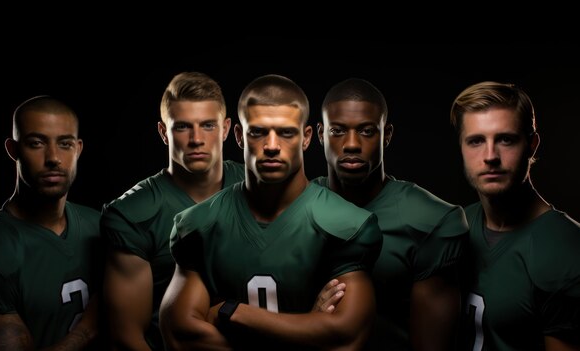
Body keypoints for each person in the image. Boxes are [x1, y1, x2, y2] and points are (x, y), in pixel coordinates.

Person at [159, 74, 384, 350]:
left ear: (306, 137)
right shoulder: (199, 225)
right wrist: (307, 328)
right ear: (240, 136)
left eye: (286, 132)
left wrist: (232, 312)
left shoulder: (347, 226)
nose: (272, 146)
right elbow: (181, 335)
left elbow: (345, 338)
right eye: (259, 132)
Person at [314, 77, 469, 350]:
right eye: (337, 131)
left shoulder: (431, 222)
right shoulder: (294, 205)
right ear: (319, 135)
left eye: (366, 131)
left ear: (387, 134)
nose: (351, 144)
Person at [100, 71, 246, 350]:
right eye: (182, 127)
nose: (196, 139)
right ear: (163, 132)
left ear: (226, 129)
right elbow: (128, 337)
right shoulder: (133, 214)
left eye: (207, 125)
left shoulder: (257, 187)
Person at [0, 95, 102, 350]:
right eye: (36, 143)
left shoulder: (100, 224)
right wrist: (87, 331)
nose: (53, 157)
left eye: (65, 144)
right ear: (13, 150)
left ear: (78, 149)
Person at [450, 81, 580, 350]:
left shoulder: (567, 251)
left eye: (505, 139)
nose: (490, 156)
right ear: (461, 148)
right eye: (475, 141)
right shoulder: (453, 226)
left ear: (531, 145)